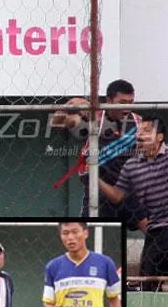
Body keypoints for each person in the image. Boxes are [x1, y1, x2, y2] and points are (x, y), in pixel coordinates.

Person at [51, 79, 145, 222]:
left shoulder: (138, 122)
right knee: (88, 229)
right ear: (109, 100)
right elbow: (56, 122)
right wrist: (69, 105)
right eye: (122, 102)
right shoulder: (95, 118)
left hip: (127, 189)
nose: (127, 107)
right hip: (99, 188)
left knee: (152, 228)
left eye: (130, 102)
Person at [98, 116, 168, 292]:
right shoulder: (132, 165)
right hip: (154, 230)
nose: (139, 136)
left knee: (151, 276)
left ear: (160, 137)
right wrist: (94, 178)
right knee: (148, 280)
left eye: (146, 131)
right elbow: (118, 196)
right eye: (138, 132)